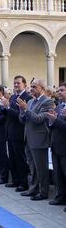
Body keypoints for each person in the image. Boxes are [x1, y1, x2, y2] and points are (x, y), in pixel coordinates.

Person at [18, 79, 54, 200]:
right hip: (28, 137)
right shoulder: (31, 101)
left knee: (41, 167)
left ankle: (43, 192)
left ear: (42, 88)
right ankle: (33, 189)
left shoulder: (48, 102)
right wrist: (22, 110)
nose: (31, 89)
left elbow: (39, 119)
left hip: (39, 139)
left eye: (34, 87)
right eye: (31, 87)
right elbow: (23, 119)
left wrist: (26, 109)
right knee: (32, 166)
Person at [1, 75, 32, 192]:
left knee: (20, 158)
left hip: (19, 131)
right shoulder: (13, 96)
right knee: (12, 158)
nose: (16, 85)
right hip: (10, 130)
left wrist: (8, 107)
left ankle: (23, 183)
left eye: (18, 83)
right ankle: (15, 180)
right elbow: (9, 113)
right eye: (14, 83)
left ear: (24, 84)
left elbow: (20, 116)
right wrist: (4, 108)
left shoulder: (27, 97)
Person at [45, 82, 66, 211]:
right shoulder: (58, 107)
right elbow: (53, 126)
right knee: (58, 175)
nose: (59, 92)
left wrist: (55, 120)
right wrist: (51, 121)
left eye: (62, 90)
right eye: (58, 90)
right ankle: (61, 196)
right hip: (56, 144)